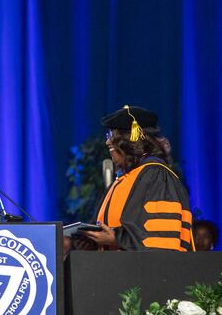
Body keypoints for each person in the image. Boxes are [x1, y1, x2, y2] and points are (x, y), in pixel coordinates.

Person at [83, 105, 194, 251]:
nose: (107, 142)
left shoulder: (156, 176)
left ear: (131, 140)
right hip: (114, 270)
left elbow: (159, 237)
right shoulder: (124, 180)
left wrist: (116, 239)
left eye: (112, 135)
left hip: (149, 272)